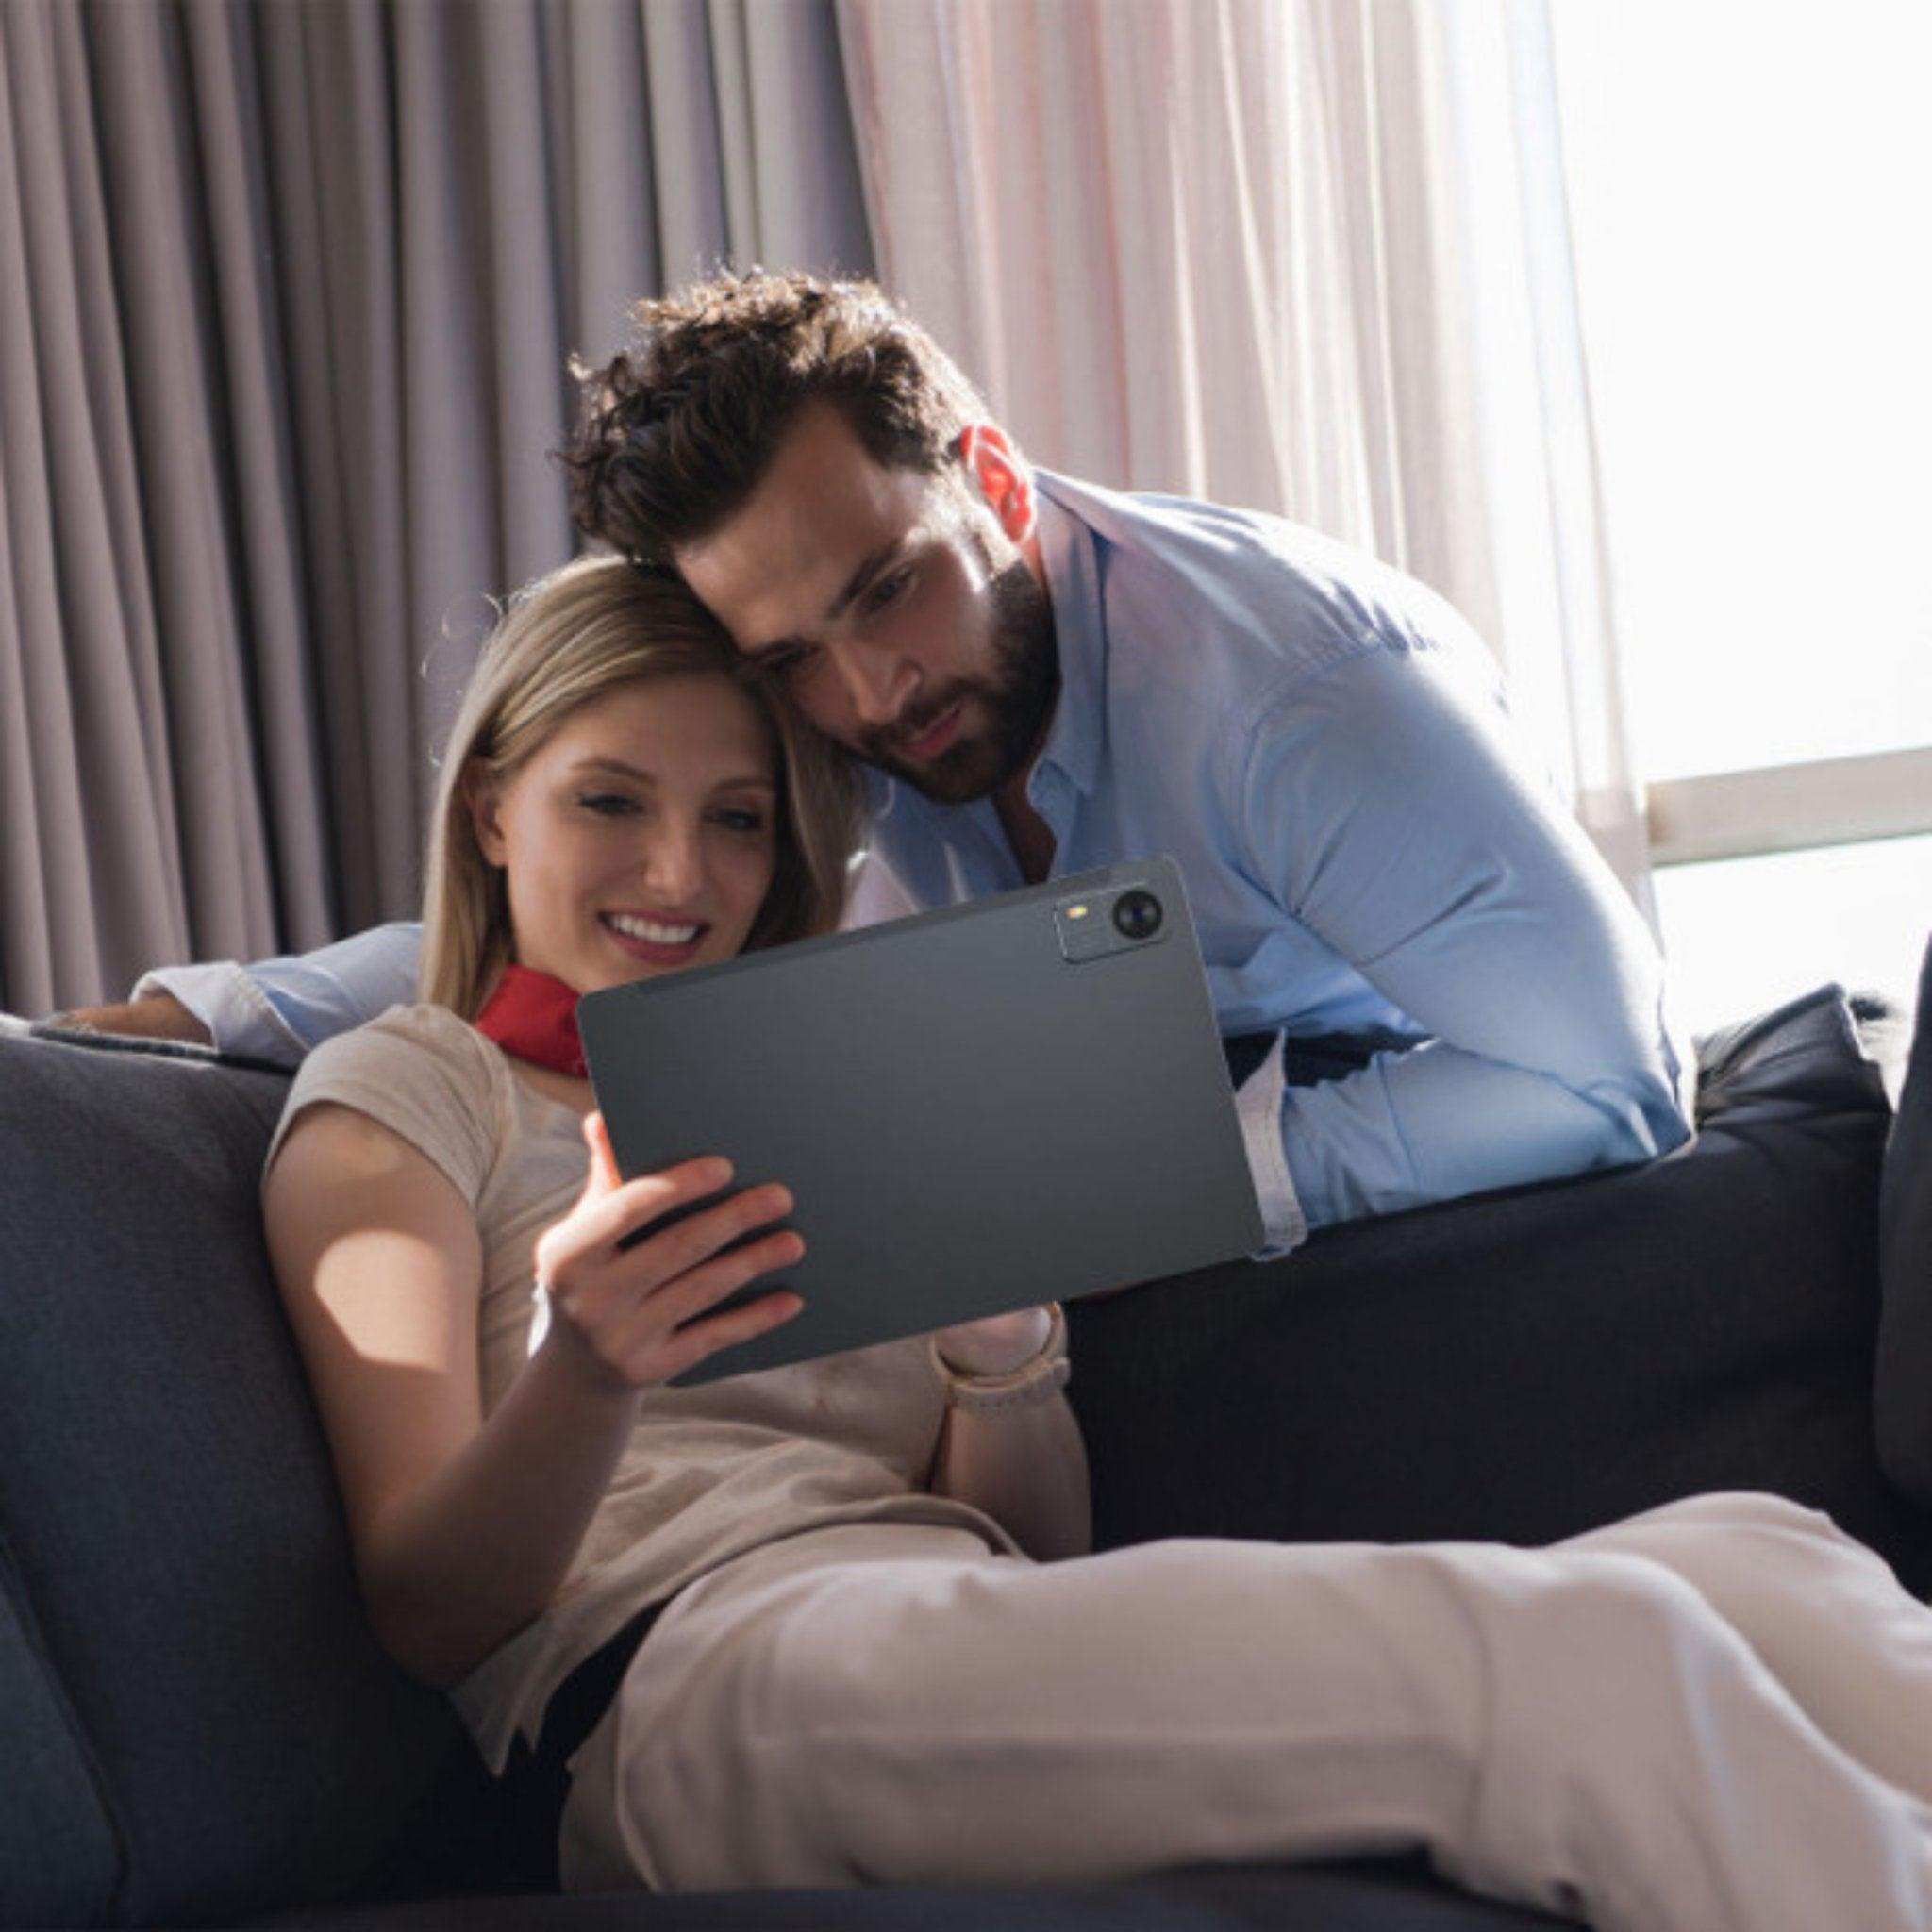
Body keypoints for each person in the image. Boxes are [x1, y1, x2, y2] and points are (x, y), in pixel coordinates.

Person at [258, 549, 1932, 1929]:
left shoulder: (820, 1091)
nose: (678, 872)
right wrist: (587, 1367)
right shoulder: (403, 1088)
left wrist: (1002, 1348)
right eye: (608, 803)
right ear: (492, 812)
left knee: (1754, 1560)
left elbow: (1030, 1556)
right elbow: (428, 1606)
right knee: (1585, 1663)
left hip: (926, 1628)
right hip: (676, 1688)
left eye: (743, 818)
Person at [76, 271, 1690, 1258]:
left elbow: (1607, 1076)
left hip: (1439, 1162)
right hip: (1097, 1156)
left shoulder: (1301, 698)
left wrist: (1191, 1179)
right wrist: (191, 1017)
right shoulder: (836, 707)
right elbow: (601, 903)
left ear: (986, 472)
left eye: (888, 589)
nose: (872, 695)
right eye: (790, 660)